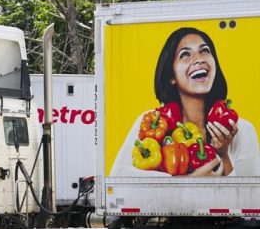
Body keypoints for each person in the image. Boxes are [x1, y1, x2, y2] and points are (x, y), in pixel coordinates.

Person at [110, 27, 260, 177]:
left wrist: (223, 154)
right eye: (185, 54)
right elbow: (117, 176)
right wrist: (189, 181)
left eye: (205, 51)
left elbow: (250, 194)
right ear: (171, 76)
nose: (199, 59)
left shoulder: (242, 129)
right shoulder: (150, 122)